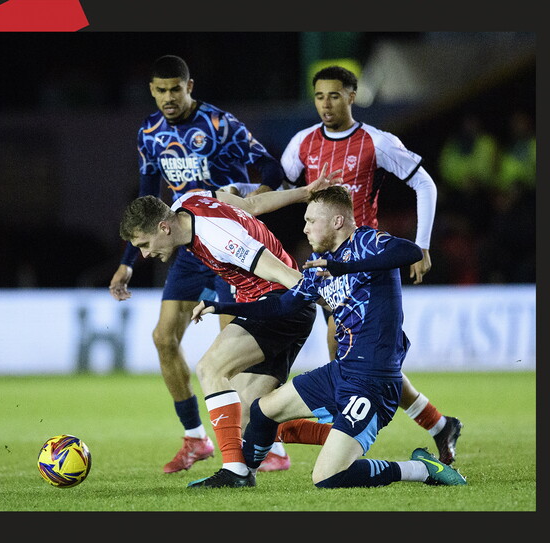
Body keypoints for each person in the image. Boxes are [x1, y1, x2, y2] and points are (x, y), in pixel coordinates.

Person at [192, 186, 468, 488]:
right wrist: (221, 306)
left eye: (312, 220)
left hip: (373, 381)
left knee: (327, 477)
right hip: (341, 372)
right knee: (262, 411)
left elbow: (410, 252)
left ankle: (421, 469)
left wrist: (345, 268)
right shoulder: (318, 264)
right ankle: (243, 475)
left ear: (337, 221)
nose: (305, 227)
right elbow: (283, 304)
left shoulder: (367, 242)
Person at [108, 55, 292, 473]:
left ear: (190, 85)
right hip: (186, 246)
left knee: (234, 352)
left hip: (224, 243)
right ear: (151, 91)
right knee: (163, 337)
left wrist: (248, 207)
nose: (168, 97)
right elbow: (145, 199)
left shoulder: (220, 124)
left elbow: (271, 167)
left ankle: (266, 442)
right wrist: (129, 262)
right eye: (160, 90)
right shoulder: (149, 133)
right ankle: (196, 439)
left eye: (176, 88)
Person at [280, 65, 462, 464]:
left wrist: (423, 245)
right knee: (369, 360)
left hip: (367, 260)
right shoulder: (301, 144)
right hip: (324, 261)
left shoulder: (376, 142)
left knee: (343, 342)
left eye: (334, 95)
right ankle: (437, 424)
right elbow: (283, 190)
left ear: (352, 96)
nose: (326, 104)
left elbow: (424, 183)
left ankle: (341, 419)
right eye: (319, 97)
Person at [119, 169, 343, 489]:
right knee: (254, 414)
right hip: (279, 308)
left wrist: (340, 305)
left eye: (143, 243)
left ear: (163, 227)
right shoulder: (189, 200)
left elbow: (284, 275)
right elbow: (249, 206)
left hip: (277, 307)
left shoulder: (221, 239)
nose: (144, 254)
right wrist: (304, 192)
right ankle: (349, 436)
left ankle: (235, 471)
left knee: (210, 367)